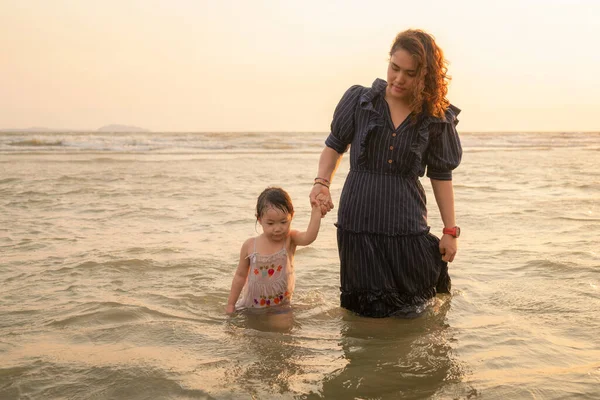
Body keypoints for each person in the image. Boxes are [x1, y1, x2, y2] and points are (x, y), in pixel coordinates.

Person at [310, 29, 462, 318]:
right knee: (362, 319)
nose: (399, 78)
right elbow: (334, 146)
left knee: (416, 315)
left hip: (405, 226)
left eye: (410, 72)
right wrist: (321, 183)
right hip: (358, 226)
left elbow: (441, 176)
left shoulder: (435, 117)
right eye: (395, 68)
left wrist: (450, 231)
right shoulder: (360, 101)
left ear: (425, 76)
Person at [226, 187, 322, 314]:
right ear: (259, 219)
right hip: (251, 306)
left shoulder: (290, 239)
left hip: (281, 306)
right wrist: (231, 304)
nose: (278, 228)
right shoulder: (250, 246)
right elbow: (240, 276)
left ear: (291, 216)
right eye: (270, 224)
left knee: (282, 330)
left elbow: (309, 237)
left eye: (283, 222)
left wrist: (317, 210)